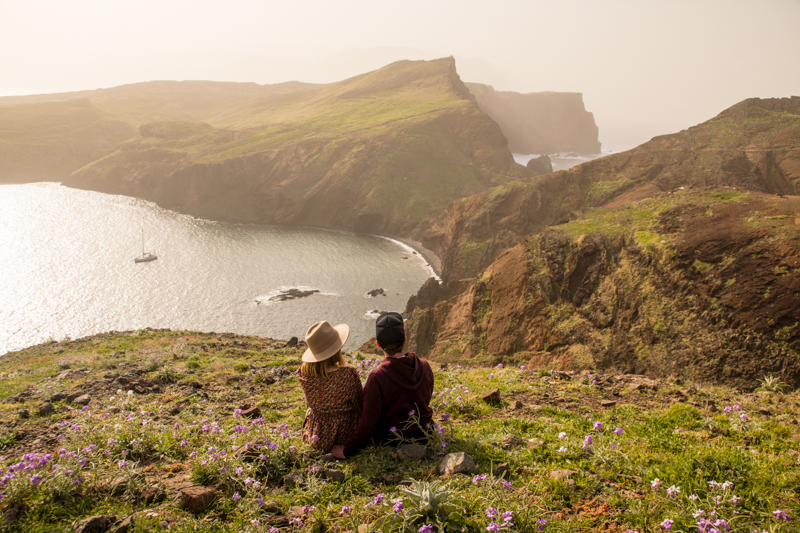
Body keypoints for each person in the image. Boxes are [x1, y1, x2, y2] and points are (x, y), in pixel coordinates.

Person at [344, 312, 434, 455]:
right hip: (424, 433)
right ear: (404, 340)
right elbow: (426, 397)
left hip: (392, 440)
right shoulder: (424, 365)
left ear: (378, 344)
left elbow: (368, 424)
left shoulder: (377, 377)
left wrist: (347, 450)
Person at [297, 320, 362, 460]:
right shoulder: (348, 375)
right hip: (346, 434)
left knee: (312, 404)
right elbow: (359, 406)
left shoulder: (302, 373)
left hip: (317, 436)